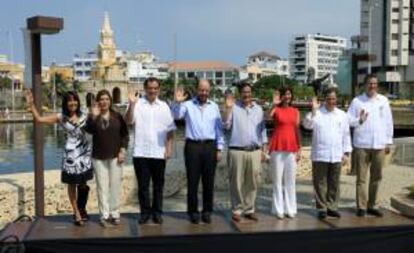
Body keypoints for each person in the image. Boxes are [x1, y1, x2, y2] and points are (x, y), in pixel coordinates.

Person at [25, 90, 92, 226]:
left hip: (85, 155)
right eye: (69, 101)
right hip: (71, 155)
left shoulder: (85, 115)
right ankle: (76, 213)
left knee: (84, 184)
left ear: (78, 102)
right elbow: (39, 119)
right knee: (72, 183)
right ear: (66, 103)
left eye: (75, 100)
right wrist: (31, 105)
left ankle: (82, 208)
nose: (72, 103)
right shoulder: (61, 117)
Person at [172, 79, 224, 224]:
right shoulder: (187, 105)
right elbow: (176, 116)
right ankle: (193, 212)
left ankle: (207, 211)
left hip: (209, 146)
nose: (204, 93)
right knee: (192, 181)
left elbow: (219, 129)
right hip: (192, 147)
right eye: (201, 90)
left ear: (209, 91)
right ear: (197, 90)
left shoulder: (214, 106)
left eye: (206, 90)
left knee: (209, 182)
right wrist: (177, 102)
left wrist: (219, 148)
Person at [124, 77, 176, 225]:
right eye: (150, 88)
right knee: (143, 187)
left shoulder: (164, 106)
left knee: (158, 186)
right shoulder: (137, 104)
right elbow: (128, 121)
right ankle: (145, 213)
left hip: (159, 153)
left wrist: (169, 148)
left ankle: (157, 213)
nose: (152, 91)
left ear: (158, 89)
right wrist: (132, 105)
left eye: (155, 88)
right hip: (141, 153)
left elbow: (170, 130)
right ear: (145, 89)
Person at [347, 74, 393, 217]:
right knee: (361, 178)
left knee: (376, 177)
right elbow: (348, 120)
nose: (372, 86)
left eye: (374, 83)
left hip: (379, 144)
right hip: (362, 144)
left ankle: (373, 205)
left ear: (377, 85)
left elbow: (388, 122)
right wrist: (358, 120)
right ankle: (361, 206)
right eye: (369, 83)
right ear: (364, 85)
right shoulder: (357, 101)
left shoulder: (383, 101)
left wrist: (388, 141)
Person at [303, 88, 352, 219]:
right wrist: (313, 111)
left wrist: (347, 153)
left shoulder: (342, 115)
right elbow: (307, 125)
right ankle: (321, 208)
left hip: (336, 154)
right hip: (320, 154)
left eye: (333, 99)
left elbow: (346, 135)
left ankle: (332, 207)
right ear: (325, 99)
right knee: (320, 183)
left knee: (334, 183)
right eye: (329, 99)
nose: (331, 101)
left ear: (337, 100)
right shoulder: (317, 113)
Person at [223, 82, 267, 222]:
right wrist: (228, 109)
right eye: (244, 92)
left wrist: (264, 148)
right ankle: (237, 209)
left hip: (254, 150)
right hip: (237, 150)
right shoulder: (233, 108)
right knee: (236, 182)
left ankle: (249, 209)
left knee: (253, 181)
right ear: (240, 94)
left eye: (248, 92)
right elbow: (226, 126)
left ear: (251, 93)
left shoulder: (258, 109)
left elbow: (262, 130)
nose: (246, 95)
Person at [84, 89, 129, 227]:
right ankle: (104, 215)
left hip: (116, 155)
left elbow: (125, 135)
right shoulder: (93, 116)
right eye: (101, 99)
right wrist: (93, 116)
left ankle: (114, 213)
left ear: (110, 101)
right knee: (102, 187)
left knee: (115, 186)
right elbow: (88, 131)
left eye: (106, 99)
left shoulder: (117, 116)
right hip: (98, 157)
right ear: (98, 102)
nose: (104, 102)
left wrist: (123, 150)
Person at [268, 87, 301, 219]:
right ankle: (278, 209)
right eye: (285, 94)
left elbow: (297, 130)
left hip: (291, 147)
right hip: (277, 146)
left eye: (289, 94)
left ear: (291, 96)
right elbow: (266, 117)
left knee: (290, 180)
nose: (287, 96)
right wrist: (273, 105)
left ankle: (290, 208)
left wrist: (299, 147)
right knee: (277, 180)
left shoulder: (296, 111)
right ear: (281, 96)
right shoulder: (276, 109)